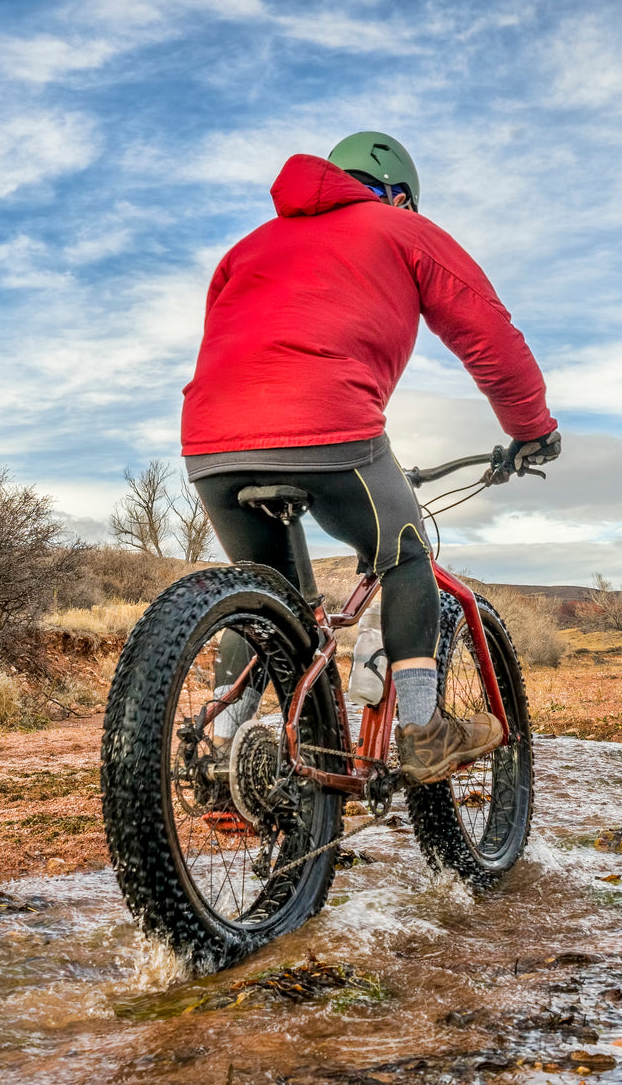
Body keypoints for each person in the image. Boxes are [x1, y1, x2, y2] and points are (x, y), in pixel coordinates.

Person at [181, 131, 559, 784]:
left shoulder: (247, 247)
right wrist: (531, 428)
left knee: (267, 591)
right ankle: (421, 729)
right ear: (401, 195)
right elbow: (487, 331)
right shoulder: (401, 230)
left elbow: (230, 332)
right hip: (328, 427)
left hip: (212, 440)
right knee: (405, 551)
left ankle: (223, 751)